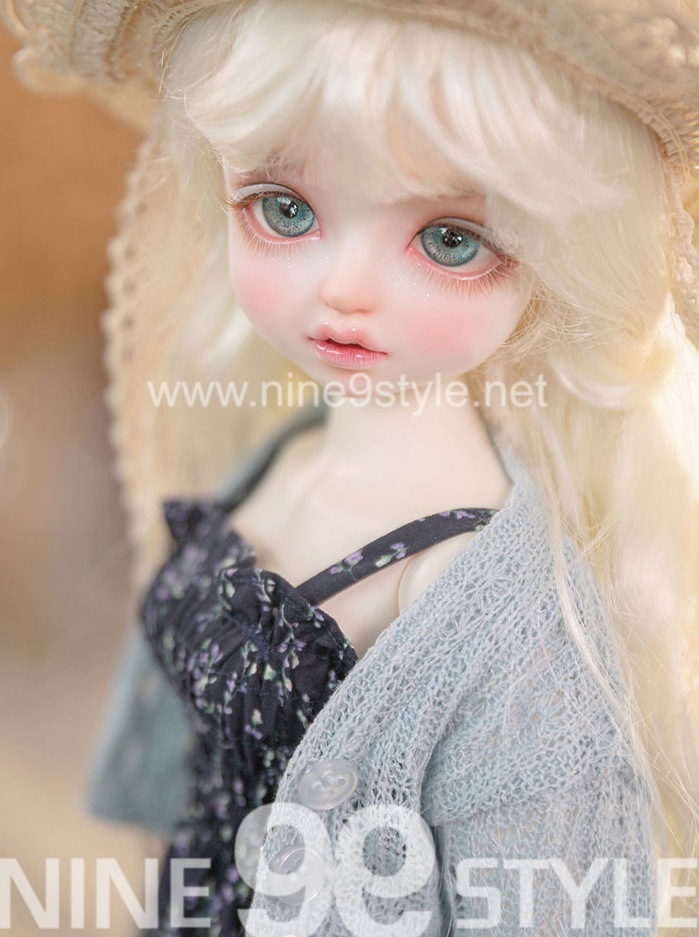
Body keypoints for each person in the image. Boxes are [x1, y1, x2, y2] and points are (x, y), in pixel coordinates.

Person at [4, 0, 699, 934]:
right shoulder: (281, 461)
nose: (342, 288)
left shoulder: (500, 622)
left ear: (558, 255)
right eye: (284, 210)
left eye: (450, 239)